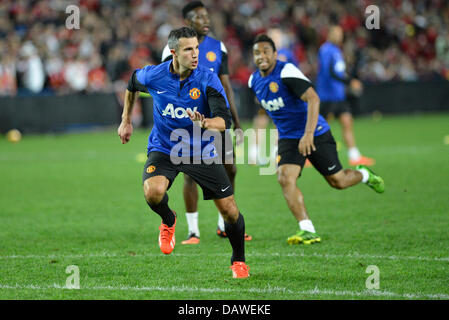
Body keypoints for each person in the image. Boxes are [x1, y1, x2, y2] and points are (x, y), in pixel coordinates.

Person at [118, 27, 249, 278]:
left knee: (230, 210)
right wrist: (126, 120)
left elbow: (225, 121)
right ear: (174, 52)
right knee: (153, 193)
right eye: (189, 49)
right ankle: (168, 220)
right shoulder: (154, 75)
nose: (195, 54)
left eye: (197, 48)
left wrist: (207, 123)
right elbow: (132, 83)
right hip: (164, 148)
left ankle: (239, 261)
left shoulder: (207, 79)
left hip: (199, 150)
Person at [248, 34, 384, 244]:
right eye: (257, 52)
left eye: (266, 51)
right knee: (285, 178)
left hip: (316, 132)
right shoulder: (253, 80)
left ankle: (364, 175)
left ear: (275, 54)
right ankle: (307, 228)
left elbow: (313, 98)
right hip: (288, 138)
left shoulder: (286, 71)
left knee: (337, 181)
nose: (262, 56)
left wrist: (308, 134)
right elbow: (270, 111)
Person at [161, 1, 251, 244]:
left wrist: (237, 122)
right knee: (191, 174)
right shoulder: (170, 50)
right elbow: (164, 87)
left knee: (230, 168)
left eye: (207, 16)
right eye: (200, 17)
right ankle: (193, 231)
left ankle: (225, 224)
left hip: (215, 119)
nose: (206, 20)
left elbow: (226, 86)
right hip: (187, 122)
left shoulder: (217, 47)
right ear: (188, 22)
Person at [316, 25, 375, 166]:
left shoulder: (336, 50)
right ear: (329, 34)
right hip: (327, 96)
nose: (339, 36)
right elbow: (330, 72)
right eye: (336, 33)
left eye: (340, 33)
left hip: (339, 96)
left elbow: (339, 72)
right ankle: (305, 155)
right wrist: (350, 82)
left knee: (347, 122)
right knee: (317, 128)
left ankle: (354, 156)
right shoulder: (325, 50)